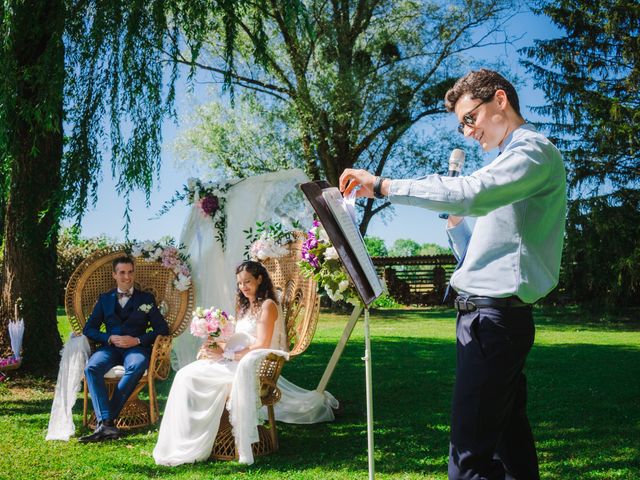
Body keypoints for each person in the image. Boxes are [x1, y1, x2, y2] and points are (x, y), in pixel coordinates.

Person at [339, 69, 566, 480]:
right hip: (487, 319)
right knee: (510, 449)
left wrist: (383, 185)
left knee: (468, 460)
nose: (466, 133)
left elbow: (472, 192)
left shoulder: (531, 151)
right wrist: (456, 225)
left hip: (494, 321)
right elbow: (477, 253)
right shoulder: (506, 163)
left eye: (469, 119)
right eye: (462, 124)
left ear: (500, 100)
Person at [153, 260, 287, 466]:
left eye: (248, 282)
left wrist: (227, 354)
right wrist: (213, 345)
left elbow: (261, 345)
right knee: (183, 375)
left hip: (250, 365)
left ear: (260, 279)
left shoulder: (268, 306)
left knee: (189, 377)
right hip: (234, 359)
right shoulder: (244, 305)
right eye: (240, 283)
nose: (243, 287)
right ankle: (183, 440)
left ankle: (197, 440)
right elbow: (236, 337)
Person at [78, 255, 169, 443]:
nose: (127, 277)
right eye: (122, 273)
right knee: (91, 368)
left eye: (130, 272)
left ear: (134, 273)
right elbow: (89, 329)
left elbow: (162, 329)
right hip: (110, 349)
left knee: (137, 365)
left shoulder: (146, 299)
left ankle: (105, 421)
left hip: (135, 350)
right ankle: (108, 424)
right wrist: (109, 337)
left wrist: (137, 340)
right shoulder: (105, 299)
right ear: (114, 275)